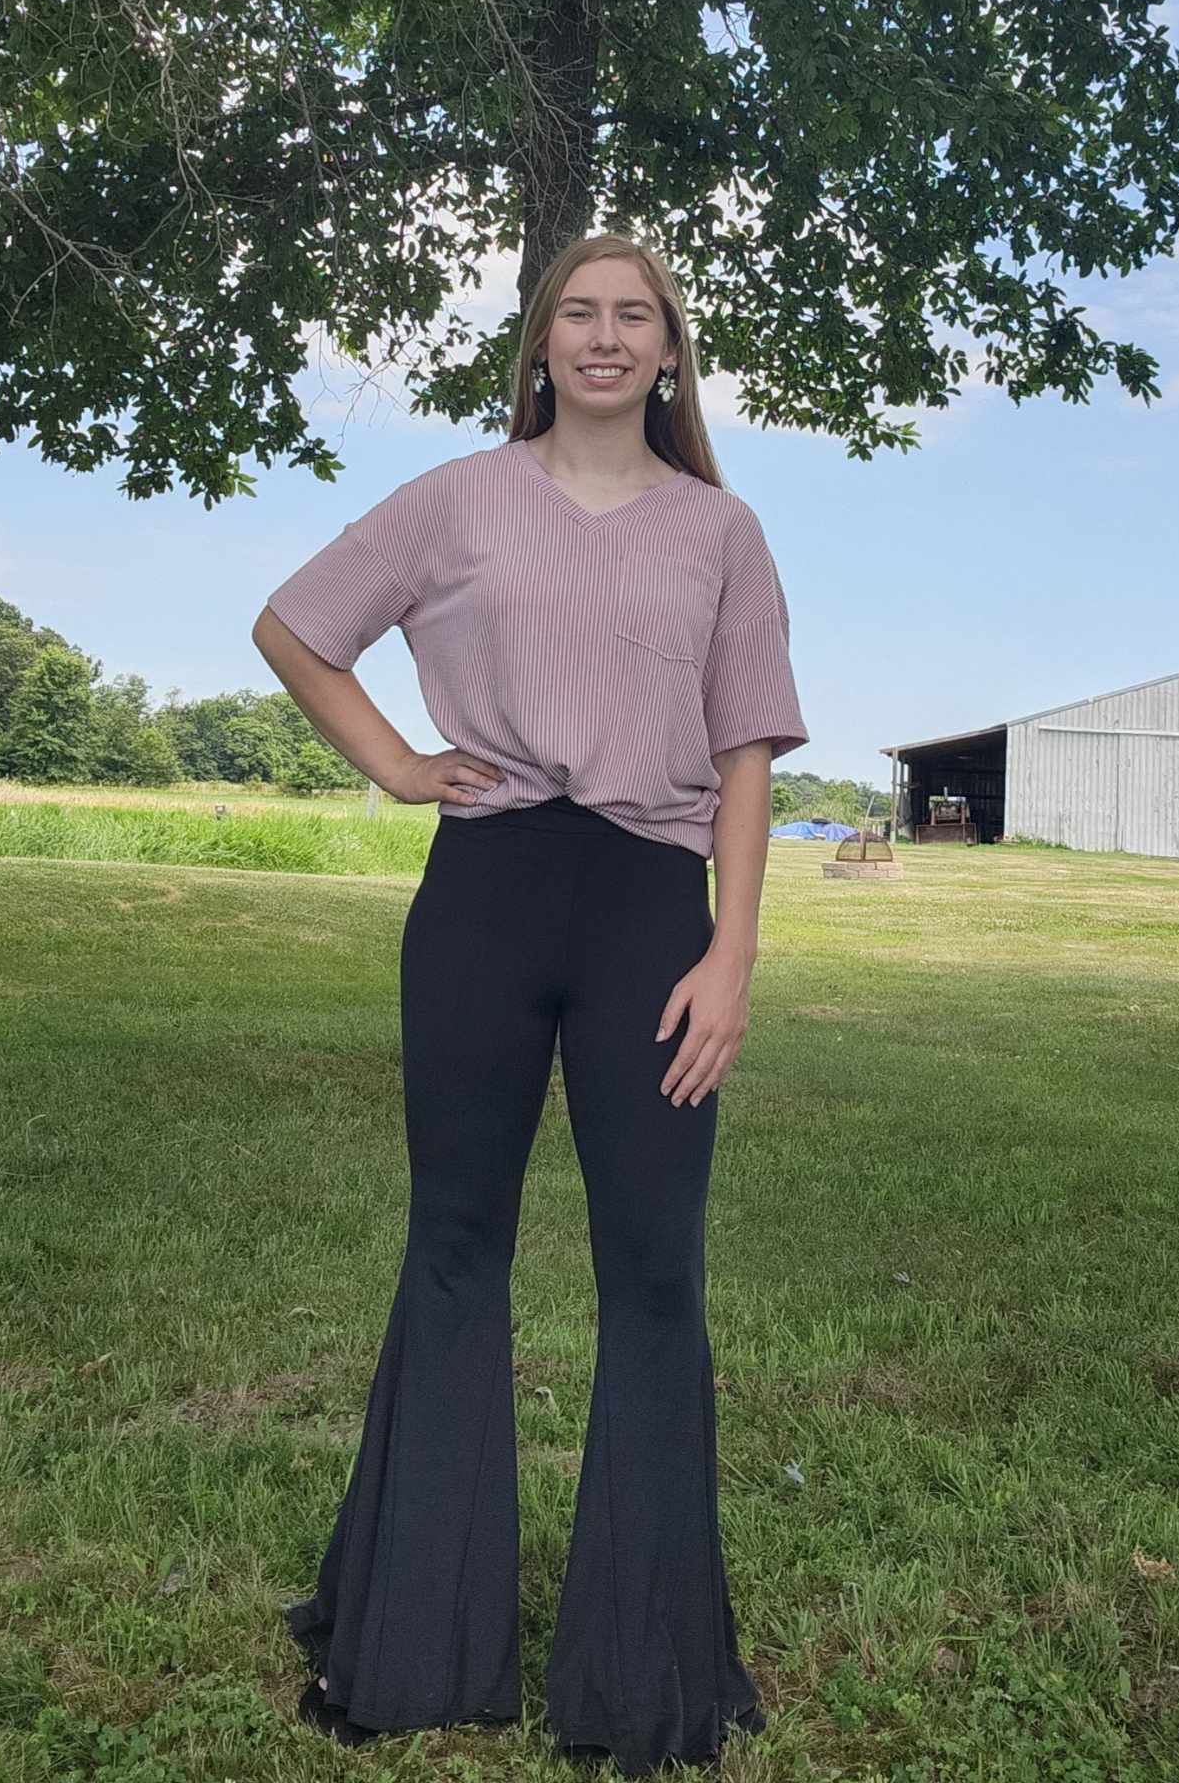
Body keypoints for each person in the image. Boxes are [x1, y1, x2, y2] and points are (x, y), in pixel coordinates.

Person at [252, 231, 809, 1777]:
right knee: (453, 1248)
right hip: (483, 899)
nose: (606, 338)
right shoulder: (458, 500)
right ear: (539, 340)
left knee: (652, 1273)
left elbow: (749, 747)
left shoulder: (721, 529)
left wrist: (731, 953)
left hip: (649, 914)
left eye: (635, 316)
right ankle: (412, 1645)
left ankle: (644, 1677)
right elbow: (296, 627)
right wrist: (391, 760)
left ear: (671, 351)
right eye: (579, 312)